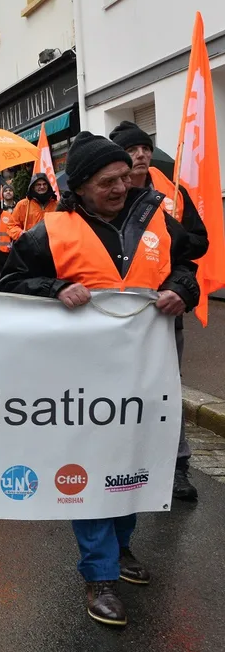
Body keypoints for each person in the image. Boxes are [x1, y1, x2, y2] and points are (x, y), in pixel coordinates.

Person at [0, 132, 198, 626]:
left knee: (131, 461)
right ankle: (100, 574)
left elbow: (185, 266)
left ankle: (121, 548)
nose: (120, 187)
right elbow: (10, 283)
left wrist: (180, 289)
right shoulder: (51, 230)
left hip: (142, 375)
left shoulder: (155, 217)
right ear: (81, 186)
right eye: (107, 181)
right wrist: (56, 286)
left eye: (125, 178)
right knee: (86, 467)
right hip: (78, 380)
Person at [110, 120, 209, 502]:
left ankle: (176, 467)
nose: (141, 154)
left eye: (145, 147)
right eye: (133, 149)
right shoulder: (103, 199)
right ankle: (121, 460)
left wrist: (164, 234)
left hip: (163, 315)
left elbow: (195, 245)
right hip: (113, 321)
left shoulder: (173, 194)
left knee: (166, 390)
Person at [7, 174, 58, 241]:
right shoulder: (23, 205)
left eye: (44, 184)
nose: (42, 187)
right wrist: (21, 234)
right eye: (38, 185)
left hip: (52, 245)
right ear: (33, 187)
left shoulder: (56, 204)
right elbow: (11, 226)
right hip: (30, 246)